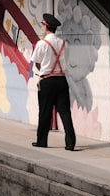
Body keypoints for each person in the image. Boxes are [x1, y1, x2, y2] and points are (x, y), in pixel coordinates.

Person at [30, 13, 77, 151]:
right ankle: (70, 142)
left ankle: (42, 141)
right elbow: (66, 62)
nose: (42, 26)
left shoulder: (42, 44)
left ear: (46, 26)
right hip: (62, 80)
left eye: (43, 24)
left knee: (45, 111)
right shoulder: (64, 44)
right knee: (65, 112)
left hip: (47, 80)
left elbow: (37, 62)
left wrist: (44, 70)